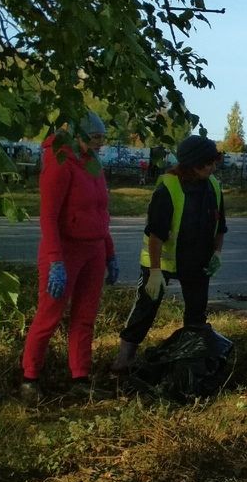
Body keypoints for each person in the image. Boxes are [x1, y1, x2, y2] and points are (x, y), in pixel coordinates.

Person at [20, 112, 119, 404]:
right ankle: (29, 379)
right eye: (96, 138)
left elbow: (101, 212)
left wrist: (110, 252)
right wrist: (55, 261)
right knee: (49, 316)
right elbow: (48, 217)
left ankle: (80, 378)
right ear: (78, 136)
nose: (101, 144)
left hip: (94, 251)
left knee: (85, 317)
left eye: (103, 138)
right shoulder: (59, 162)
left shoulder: (93, 165)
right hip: (65, 252)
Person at [114, 135, 227, 372]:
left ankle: (191, 361)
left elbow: (220, 225)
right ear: (190, 165)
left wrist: (217, 253)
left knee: (197, 312)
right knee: (146, 307)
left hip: (197, 260)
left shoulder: (214, 186)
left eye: (213, 162)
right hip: (161, 263)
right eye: (205, 163)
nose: (211, 167)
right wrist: (154, 272)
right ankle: (123, 360)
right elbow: (155, 234)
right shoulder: (168, 188)